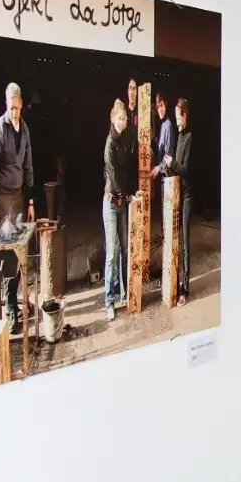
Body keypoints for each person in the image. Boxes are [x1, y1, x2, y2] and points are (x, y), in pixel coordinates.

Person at [0, 81, 35, 334]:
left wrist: (31, 200)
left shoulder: (25, 130)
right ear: (6, 104)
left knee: (20, 250)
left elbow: (29, 165)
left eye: (17, 107)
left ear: (21, 104)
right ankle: (11, 310)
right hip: (1, 197)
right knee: (7, 254)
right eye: (11, 108)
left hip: (19, 196)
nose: (14, 112)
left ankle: (17, 299)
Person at [152, 97, 193, 305]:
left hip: (187, 195)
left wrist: (172, 163)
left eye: (179, 118)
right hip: (177, 191)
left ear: (185, 115)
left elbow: (185, 169)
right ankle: (176, 283)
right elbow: (176, 168)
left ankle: (186, 288)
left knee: (184, 242)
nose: (176, 122)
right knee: (176, 239)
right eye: (175, 118)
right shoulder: (179, 135)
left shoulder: (190, 138)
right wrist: (167, 167)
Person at [103, 99, 136, 320]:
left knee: (125, 249)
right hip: (111, 202)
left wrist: (133, 191)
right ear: (113, 119)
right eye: (119, 118)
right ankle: (109, 301)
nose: (122, 122)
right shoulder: (110, 144)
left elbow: (128, 172)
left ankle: (125, 294)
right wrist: (128, 195)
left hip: (123, 202)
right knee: (112, 254)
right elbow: (114, 177)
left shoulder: (125, 142)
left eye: (124, 118)